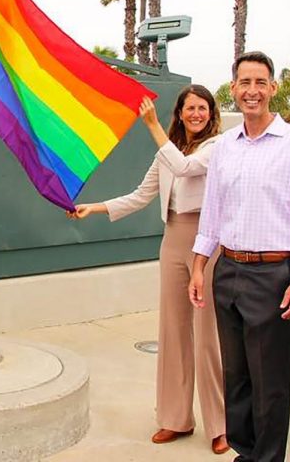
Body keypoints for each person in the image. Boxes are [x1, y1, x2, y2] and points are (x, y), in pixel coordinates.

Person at [70, 86, 229, 455]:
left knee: (208, 337)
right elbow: (141, 196)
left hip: (207, 239)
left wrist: (153, 126)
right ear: (181, 112)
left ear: (211, 113)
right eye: (189, 107)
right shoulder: (167, 152)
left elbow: (186, 168)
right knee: (172, 332)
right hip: (173, 239)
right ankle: (175, 419)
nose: (196, 114)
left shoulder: (216, 148)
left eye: (202, 108)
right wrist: (94, 208)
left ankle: (220, 425)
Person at [189, 51, 290, 462]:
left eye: (260, 83)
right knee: (237, 377)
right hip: (227, 270)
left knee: (269, 380)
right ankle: (245, 453)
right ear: (233, 89)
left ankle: (267, 458)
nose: (252, 91)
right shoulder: (225, 148)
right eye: (244, 83)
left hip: (273, 275)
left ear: (273, 88)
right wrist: (199, 267)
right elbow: (212, 213)